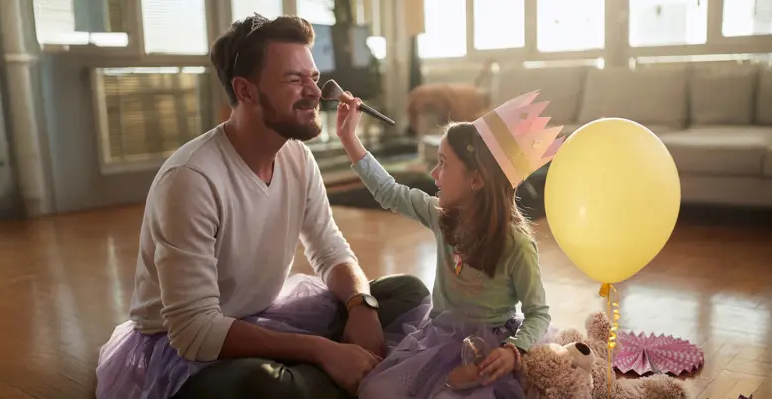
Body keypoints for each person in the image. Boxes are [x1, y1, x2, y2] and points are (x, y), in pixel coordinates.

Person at [93, 14, 431, 399]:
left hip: (263, 317)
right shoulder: (190, 180)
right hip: (189, 348)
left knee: (408, 293)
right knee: (269, 387)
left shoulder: (298, 158)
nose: (315, 92)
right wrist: (320, 349)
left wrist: (361, 303)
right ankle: (330, 375)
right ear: (246, 90)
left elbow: (329, 248)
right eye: (294, 80)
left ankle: (329, 376)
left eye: (314, 78)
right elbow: (194, 332)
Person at [333, 89, 564, 398]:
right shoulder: (439, 215)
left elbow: (539, 313)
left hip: (489, 349)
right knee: (374, 391)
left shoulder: (516, 245)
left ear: (477, 180)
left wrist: (514, 350)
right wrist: (349, 138)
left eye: (442, 164)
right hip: (438, 337)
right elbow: (388, 191)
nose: (433, 173)